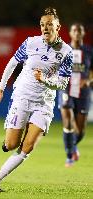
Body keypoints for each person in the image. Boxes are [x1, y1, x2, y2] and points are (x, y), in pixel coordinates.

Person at [0, 7, 73, 192]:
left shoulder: (66, 52)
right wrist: (1, 88)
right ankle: (9, 139)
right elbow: (13, 63)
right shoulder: (31, 43)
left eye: (50, 24)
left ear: (58, 27)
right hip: (22, 97)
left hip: (44, 104)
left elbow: (63, 83)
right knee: (11, 145)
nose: (45, 28)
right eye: (42, 24)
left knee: (28, 147)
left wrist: (46, 80)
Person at [58, 23, 93, 167]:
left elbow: (92, 71)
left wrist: (89, 79)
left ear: (83, 33)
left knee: (80, 131)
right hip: (66, 89)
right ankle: (69, 156)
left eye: (80, 30)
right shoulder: (64, 50)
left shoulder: (89, 51)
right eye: (74, 30)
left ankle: (73, 147)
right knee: (67, 121)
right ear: (70, 33)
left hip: (83, 93)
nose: (77, 32)